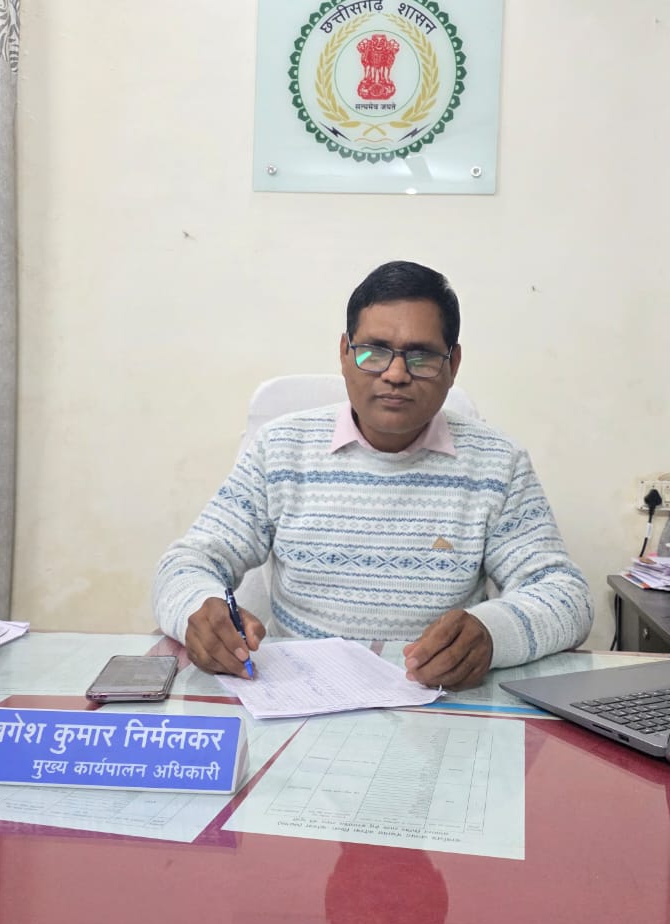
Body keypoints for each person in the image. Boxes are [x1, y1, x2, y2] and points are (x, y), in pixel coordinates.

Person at [152, 260, 592, 689]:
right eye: (374, 352)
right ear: (345, 353)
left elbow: (566, 595)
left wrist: (494, 634)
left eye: (421, 356)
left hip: (438, 702)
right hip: (299, 696)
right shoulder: (280, 449)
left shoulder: (498, 463)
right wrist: (199, 610)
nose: (396, 374)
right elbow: (187, 564)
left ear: (453, 364)